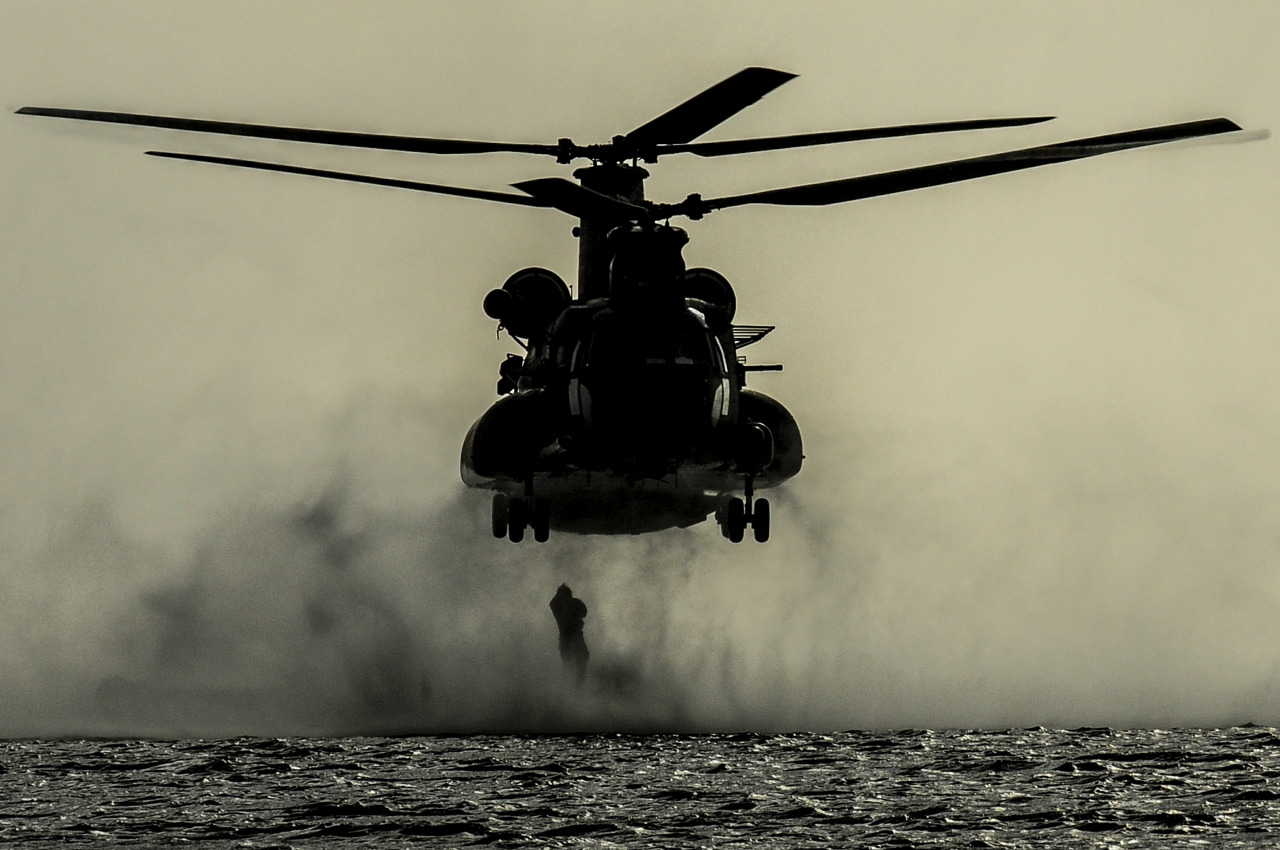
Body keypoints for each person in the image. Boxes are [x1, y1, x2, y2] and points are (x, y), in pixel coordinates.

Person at [549, 584, 589, 683]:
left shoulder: (571, 604)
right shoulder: (558, 607)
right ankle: (571, 687)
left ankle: (576, 687)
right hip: (567, 638)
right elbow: (552, 603)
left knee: (580, 661)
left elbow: (584, 612)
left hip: (574, 637)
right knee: (570, 664)